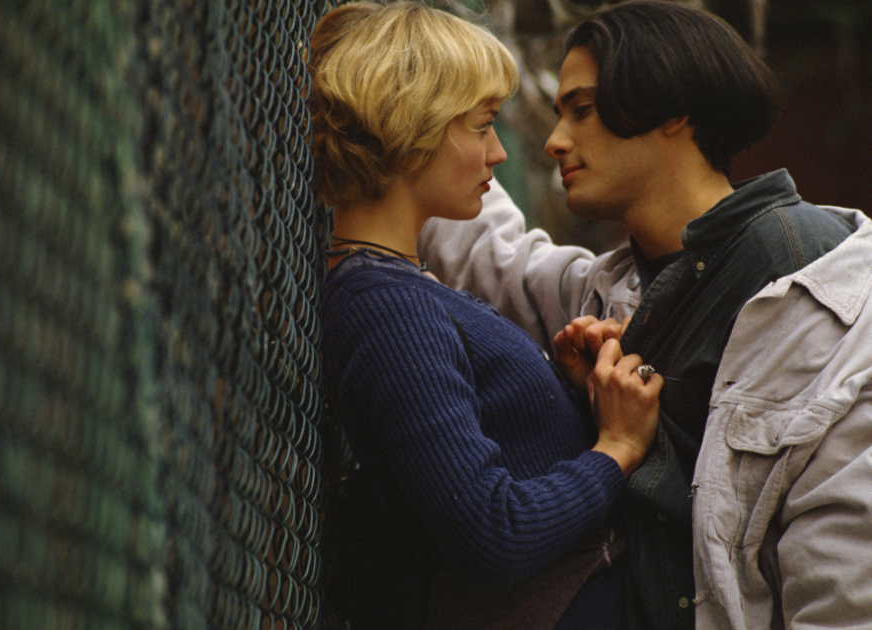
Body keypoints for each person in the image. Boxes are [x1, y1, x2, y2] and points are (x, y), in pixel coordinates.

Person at [418, 1, 872, 629]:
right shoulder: (611, 292)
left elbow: (845, 569)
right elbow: (493, 259)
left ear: (673, 109)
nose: (554, 141)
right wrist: (415, 108)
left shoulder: (816, 287)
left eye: (583, 110)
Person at [309, 3, 664, 629]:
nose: (499, 153)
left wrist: (578, 392)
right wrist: (617, 448)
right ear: (411, 126)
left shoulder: (402, 287)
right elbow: (497, 532)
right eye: (481, 127)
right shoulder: (389, 308)